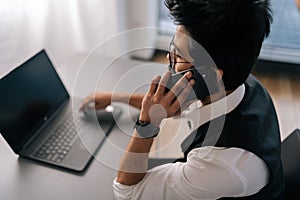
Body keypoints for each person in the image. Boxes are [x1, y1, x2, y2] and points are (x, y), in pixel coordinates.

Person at [81, 0, 286, 199]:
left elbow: (126, 192)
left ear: (212, 74)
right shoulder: (241, 82)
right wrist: (114, 98)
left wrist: (147, 124)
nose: (169, 62)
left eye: (178, 56)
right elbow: (171, 104)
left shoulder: (219, 164)